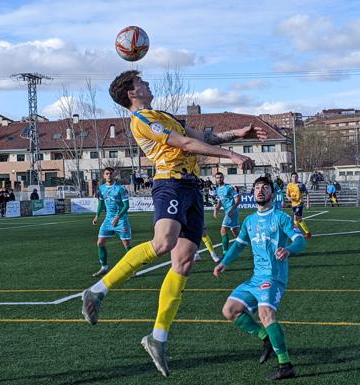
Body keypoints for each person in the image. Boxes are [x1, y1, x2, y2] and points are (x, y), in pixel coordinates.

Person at [81, 69, 265, 377]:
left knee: (183, 262)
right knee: (164, 242)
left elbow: (201, 138)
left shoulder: (163, 114)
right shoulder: (141, 120)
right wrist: (230, 155)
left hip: (191, 188)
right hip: (171, 184)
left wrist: (238, 133)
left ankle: (157, 338)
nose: (148, 83)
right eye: (142, 82)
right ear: (131, 92)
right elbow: (184, 145)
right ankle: (97, 291)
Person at [214, 177, 306, 380]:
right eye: (256, 188)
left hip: (274, 277)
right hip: (256, 278)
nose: (260, 190)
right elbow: (238, 245)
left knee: (265, 313)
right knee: (229, 310)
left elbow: (300, 240)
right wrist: (224, 262)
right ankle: (265, 338)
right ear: (252, 193)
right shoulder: (249, 221)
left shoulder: (281, 218)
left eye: (265, 187)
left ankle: (285, 365)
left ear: (272, 194)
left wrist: (288, 250)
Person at [92, 167, 132, 277]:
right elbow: (101, 203)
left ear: (114, 175)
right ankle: (104, 267)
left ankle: (133, 268)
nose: (109, 175)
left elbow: (126, 206)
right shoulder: (101, 189)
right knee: (100, 243)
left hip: (121, 220)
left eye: (110, 174)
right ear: (104, 176)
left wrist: (118, 217)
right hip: (108, 220)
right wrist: (97, 216)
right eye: (107, 174)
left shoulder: (120, 189)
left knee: (127, 246)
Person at [213, 172, 241, 254]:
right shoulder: (217, 190)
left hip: (232, 211)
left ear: (223, 178)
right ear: (215, 179)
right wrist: (216, 209)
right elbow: (220, 202)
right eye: (217, 178)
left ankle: (225, 252)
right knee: (236, 232)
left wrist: (232, 209)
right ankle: (251, 245)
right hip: (228, 211)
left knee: (223, 230)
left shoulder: (229, 187)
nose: (219, 179)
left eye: (220, 177)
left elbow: (238, 198)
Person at [286, 172, 311, 238]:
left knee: (296, 218)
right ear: (291, 178)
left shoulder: (301, 185)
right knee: (299, 219)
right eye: (293, 177)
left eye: (296, 177)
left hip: (300, 203)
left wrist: (308, 203)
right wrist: (288, 198)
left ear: (298, 177)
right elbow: (287, 194)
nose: (295, 178)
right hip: (293, 204)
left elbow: (307, 194)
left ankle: (295, 234)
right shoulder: (289, 185)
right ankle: (308, 233)